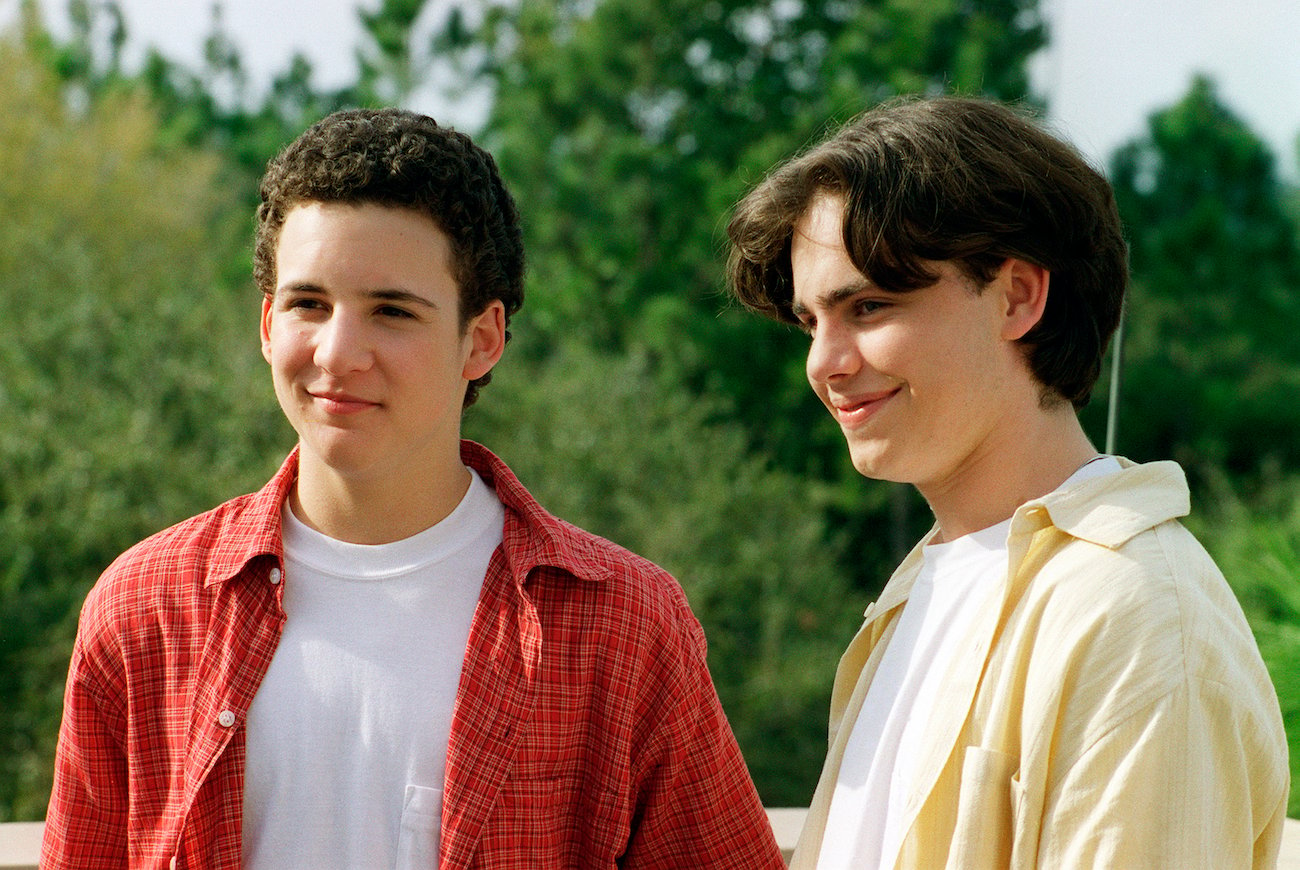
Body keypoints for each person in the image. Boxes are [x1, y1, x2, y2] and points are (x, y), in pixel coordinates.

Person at [43, 108, 784, 869]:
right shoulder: (142, 607)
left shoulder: (625, 625)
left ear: (482, 338)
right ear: (267, 323)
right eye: (308, 304)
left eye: (391, 311)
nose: (338, 352)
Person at [725, 96, 1289, 868]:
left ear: (1017, 295)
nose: (824, 363)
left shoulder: (1136, 616)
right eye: (811, 321)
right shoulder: (915, 593)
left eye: (869, 305)